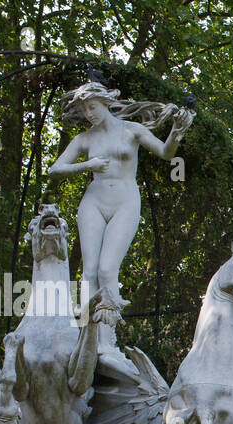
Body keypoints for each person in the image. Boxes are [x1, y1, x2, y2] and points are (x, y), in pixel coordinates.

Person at [48, 78, 193, 325]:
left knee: (106, 269)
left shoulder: (132, 130)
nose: (89, 114)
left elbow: (166, 153)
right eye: (85, 110)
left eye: (92, 107)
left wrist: (176, 132)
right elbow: (55, 169)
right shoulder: (85, 138)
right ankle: (85, 333)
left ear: (105, 103)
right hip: (94, 200)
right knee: (90, 272)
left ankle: (107, 336)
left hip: (125, 201)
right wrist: (88, 165)